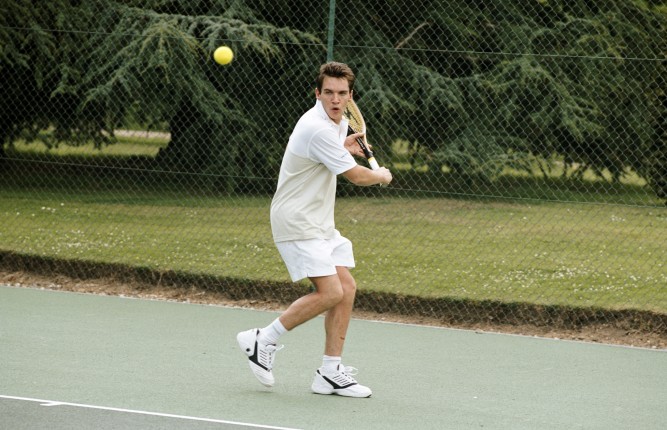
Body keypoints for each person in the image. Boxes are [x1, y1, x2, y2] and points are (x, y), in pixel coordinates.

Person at [236, 62, 392, 398]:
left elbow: (325, 156)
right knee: (332, 292)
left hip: (319, 222)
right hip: (296, 221)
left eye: (342, 93)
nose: (335, 99)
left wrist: (344, 147)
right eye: (329, 93)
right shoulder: (317, 127)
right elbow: (356, 176)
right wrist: (379, 175)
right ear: (317, 94)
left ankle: (330, 372)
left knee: (346, 288)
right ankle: (262, 339)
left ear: (350, 97)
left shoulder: (338, 124)